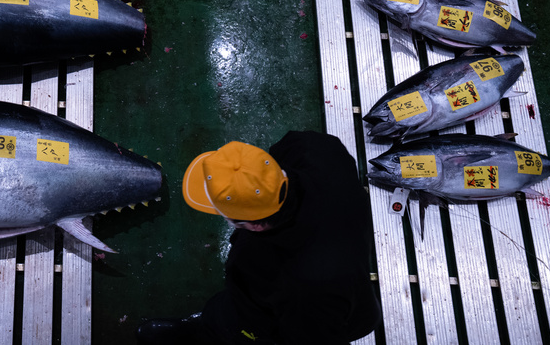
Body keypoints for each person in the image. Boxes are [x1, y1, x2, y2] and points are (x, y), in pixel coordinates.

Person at [137, 131, 380, 344]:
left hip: (315, 320)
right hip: (345, 276)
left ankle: (215, 332)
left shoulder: (283, 276)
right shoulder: (312, 148)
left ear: (254, 226)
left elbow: (312, 334)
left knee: (241, 327)